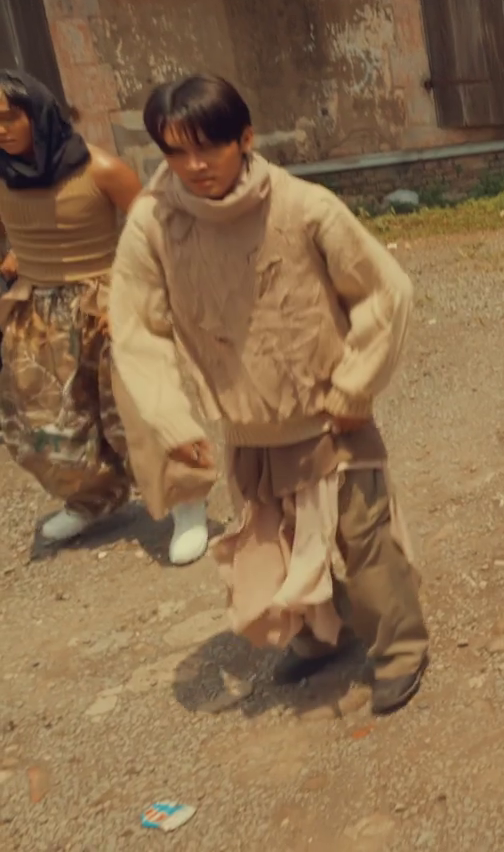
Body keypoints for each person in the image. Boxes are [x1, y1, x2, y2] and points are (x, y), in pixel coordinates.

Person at [110, 75, 429, 715]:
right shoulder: (154, 222)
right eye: (176, 152)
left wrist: (354, 388)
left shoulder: (304, 206)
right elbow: (136, 330)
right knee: (275, 542)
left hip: (331, 418)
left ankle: (400, 650)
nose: (194, 166)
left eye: (209, 147)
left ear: (246, 139)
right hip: (247, 426)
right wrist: (174, 425)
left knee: (363, 539)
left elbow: (385, 292)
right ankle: (320, 636)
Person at [0, 71, 211, 564]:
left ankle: (187, 501)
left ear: (39, 114)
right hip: (38, 314)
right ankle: (95, 498)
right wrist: (17, 256)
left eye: (9, 117)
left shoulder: (102, 170)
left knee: (142, 412)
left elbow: (152, 235)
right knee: (46, 426)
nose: (1, 130)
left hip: (107, 305)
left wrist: (144, 301)